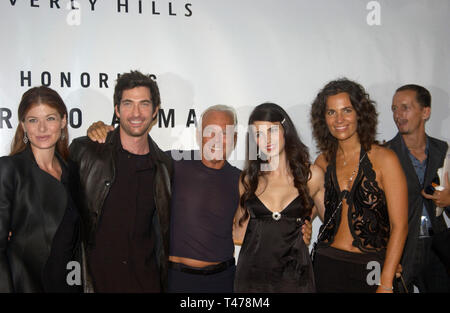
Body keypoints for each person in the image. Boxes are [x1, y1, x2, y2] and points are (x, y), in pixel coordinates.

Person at [87, 104, 313, 293]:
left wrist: (296, 230)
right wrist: (104, 132)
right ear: (199, 135)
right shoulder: (172, 164)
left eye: (224, 134)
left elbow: (246, 230)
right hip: (176, 279)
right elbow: (132, 153)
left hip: (223, 280)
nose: (216, 140)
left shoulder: (243, 181)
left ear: (234, 138)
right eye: (210, 132)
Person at [69, 71, 173, 292]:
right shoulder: (85, 152)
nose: (136, 113)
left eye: (144, 104)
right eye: (128, 104)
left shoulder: (165, 166)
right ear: (117, 110)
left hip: (147, 285)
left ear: (155, 111)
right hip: (97, 285)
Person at [310, 78, 408, 293]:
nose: (339, 119)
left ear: (360, 114)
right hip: (327, 262)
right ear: (323, 118)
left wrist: (386, 281)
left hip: (371, 265)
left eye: (347, 110)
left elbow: (400, 226)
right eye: (331, 112)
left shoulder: (385, 160)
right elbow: (306, 212)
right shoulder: (322, 162)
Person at [233, 102, 323, 292]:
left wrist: (306, 219)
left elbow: (332, 222)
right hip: (252, 279)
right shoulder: (248, 180)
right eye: (258, 134)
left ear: (285, 130)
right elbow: (238, 233)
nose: (266, 140)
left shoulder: (311, 176)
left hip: (296, 280)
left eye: (272, 130)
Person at [0, 86, 82, 293]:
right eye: (33, 120)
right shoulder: (10, 169)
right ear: (23, 126)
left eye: (50, 119)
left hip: (67, 286)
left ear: (63, 121)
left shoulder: (73, 171)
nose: (42, 128)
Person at [385, 84, 450, 292]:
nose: (398, 114)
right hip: (400, 249)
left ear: (426, 112)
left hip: (438, 247)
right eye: (394, 108)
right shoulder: (384, 154)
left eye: (405, 107)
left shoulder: (444, 151)